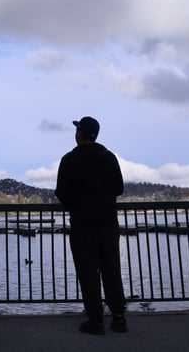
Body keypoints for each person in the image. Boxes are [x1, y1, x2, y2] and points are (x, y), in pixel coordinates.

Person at [55, 116, 127, 335]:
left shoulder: (69, 159)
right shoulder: (109, 158)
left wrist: (75, 204)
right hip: (107, 222)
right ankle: (119, 317)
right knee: (112, 268)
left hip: (82, 224)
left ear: (79, 134)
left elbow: (62, 193)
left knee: (88, 272)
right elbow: (119, 188)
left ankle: (95, 321)